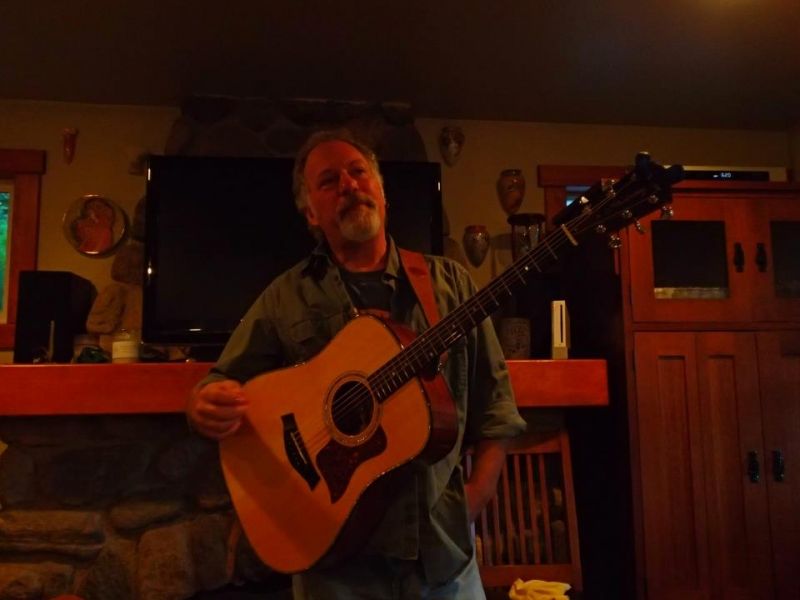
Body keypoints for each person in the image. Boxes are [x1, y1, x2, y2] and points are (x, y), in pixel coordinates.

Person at [187, 129, 527, 599]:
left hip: (440, 557)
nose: (348, 185)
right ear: (311, 213)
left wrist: (476, 496)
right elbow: (220, 382)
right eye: (329, 181)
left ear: (382, 194)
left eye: (358, 172)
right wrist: (205, 403)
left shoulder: (449, 284)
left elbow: (497, 407)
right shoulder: (285, 296)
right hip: (334, 570)